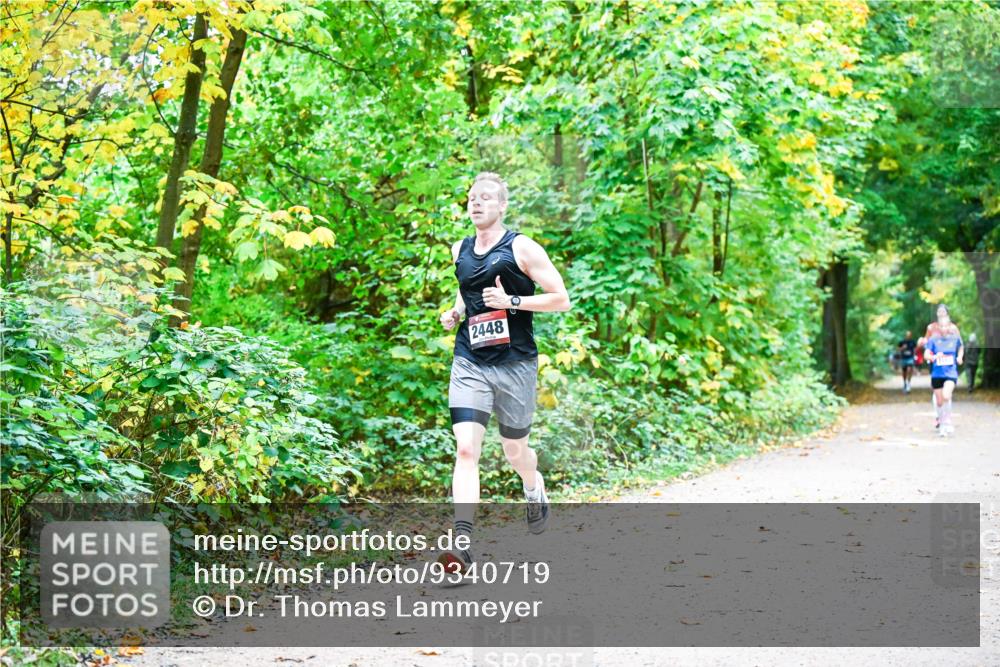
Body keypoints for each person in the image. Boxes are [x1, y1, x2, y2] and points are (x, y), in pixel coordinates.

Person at [437, 171, 571, 572]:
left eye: (485, 198)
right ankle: (461, 544)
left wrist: (511, 299)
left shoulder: (523, 248)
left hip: (515, 364)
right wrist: (458, 310)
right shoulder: (459, 248)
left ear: (502, 206)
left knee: (515, 452)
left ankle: (533, 488)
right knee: (465, 449)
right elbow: (467, 286)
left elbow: (560, 299)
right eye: (471, 198)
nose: (476, 203)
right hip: (470, 360)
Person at [923, 305, 964, 436]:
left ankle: (946, 420)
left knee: (947, 395)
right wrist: (927, 348)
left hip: (950, 368)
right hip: (936, 364)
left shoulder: (954, 329)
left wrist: (959, 357)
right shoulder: (931, 328)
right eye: (939, 311)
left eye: (943, 311)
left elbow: (960, 344)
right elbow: (926, 343)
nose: (940, 313)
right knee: (939, 397)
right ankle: (939, 417)